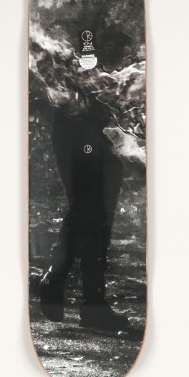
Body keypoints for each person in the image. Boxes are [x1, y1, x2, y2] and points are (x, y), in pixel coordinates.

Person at [39, 100, 130, 330]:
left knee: (93, 214)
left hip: (90, 131)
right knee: (88, 209)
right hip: (83, 133)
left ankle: (87, 301)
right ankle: (78, 294)